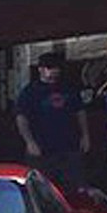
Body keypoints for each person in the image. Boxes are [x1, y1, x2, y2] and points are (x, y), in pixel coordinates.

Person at [16, 52, 90, 191]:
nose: (54, 72)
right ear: (40, 69)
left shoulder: (68, 88)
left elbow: (80, 112)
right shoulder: (30, 92)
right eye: (49, 68)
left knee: (75, 187)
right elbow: (21, 118)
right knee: (42, 189)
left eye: (56, 68)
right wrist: (29, 142)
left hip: (69, 146)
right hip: (42, 149)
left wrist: (85, 136)